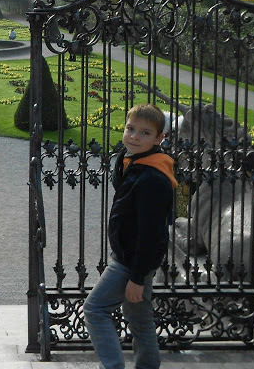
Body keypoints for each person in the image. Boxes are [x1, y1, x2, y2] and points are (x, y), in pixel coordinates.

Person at [83, 103, 177, 369]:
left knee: (95, 309)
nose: (135, 136)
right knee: (139, 318)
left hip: (131, 260)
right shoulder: (134, 162)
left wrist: (137, 277)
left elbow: (152, 234)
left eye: (145, 133)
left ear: (160, 139)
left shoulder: (152, 178)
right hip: (133, 258)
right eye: (130, 129)